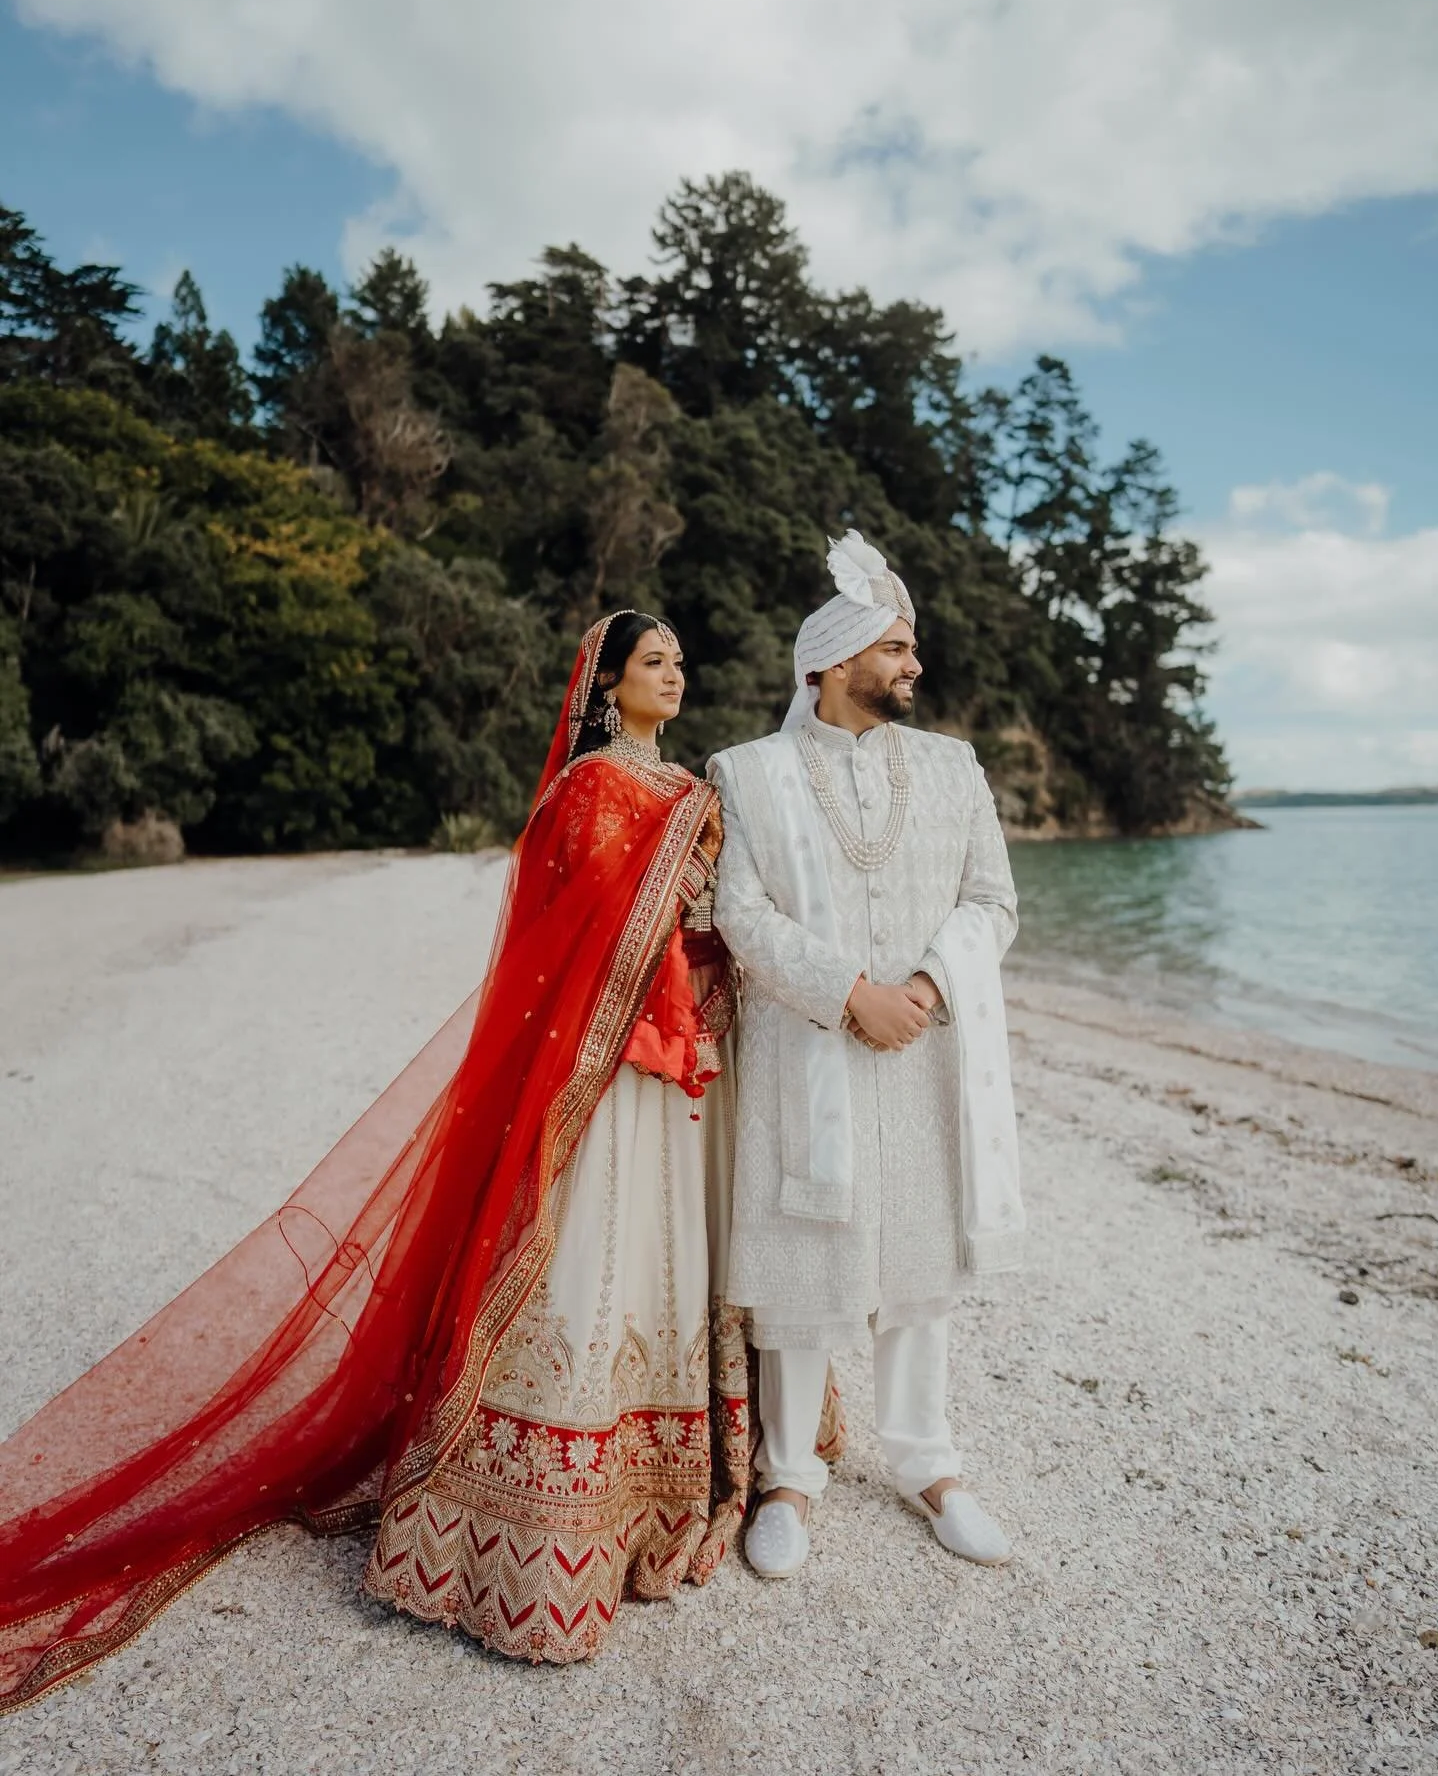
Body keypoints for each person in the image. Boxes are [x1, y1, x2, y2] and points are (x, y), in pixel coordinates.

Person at [0, 611, 749, 1711]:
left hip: (661, 1067)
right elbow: (574, 932)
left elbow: (691, 922)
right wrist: (672, 916)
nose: (676, 675)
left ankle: (639, 1511)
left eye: (683, 660)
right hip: (596, 1073)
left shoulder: (688, 789)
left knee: (651, 1273)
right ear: (603, 684)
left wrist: (709, 923)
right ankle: (518, 1543)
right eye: (654, 661)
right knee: (583, 1266)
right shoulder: (589, 787)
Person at [708, 531, 1024, 1581]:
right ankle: (789, 1472)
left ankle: (929, 1460)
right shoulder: (748, 774)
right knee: (805, 1256)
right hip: (808, 1047)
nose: (914, 665)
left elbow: (991, 899)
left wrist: (924, 991)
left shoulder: (952, 766)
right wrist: (850, 997)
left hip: (926, 1047)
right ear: (833, 661)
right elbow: (738, 912)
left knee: (921, 1262)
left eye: (912, 647)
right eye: (896, 647)